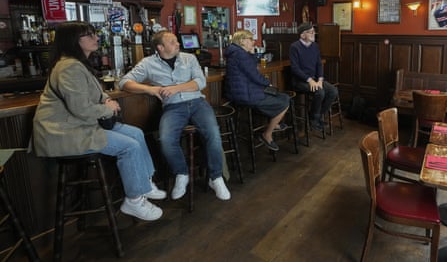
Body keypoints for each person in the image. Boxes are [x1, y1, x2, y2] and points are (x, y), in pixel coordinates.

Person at [32, 21, 165, 221]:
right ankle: (134, 200)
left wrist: (105, 99)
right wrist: (107, 108)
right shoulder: (69, 67)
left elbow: (92, 92)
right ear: (73, 41)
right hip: (64, 133)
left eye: (94, 34)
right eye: (89, 35)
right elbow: (81, 109)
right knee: (129, 146)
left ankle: (144, 183)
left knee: (136, 133)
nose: (96, 38)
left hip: (79, 126)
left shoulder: (77, 64)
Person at [120, 30, 230, 201]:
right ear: (160, 47)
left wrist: (175, 88)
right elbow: (124, 82)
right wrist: (149, 89)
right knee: (166, 140)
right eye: (172, 42)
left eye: (177, 41)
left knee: (213, 134)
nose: (178, 44)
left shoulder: (189, 58)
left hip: (197, 103)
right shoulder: (148, 63)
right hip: (173, 107)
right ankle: (182, 173)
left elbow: (200, 82)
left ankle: (215, 177)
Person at [224, 30, 290, 151]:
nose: (253, 42)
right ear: (242, 41)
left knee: (284, 97)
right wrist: (267, 83)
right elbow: (254, 74)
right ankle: (267, 134)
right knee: (284, 102)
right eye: (250, 39)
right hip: (245, 95)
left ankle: (275, 123)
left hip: (245, 91)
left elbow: (250, 70)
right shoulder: (240, 54)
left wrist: (252, 53)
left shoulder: (236, 52)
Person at [289, 23, 339, 131]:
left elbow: (319, 64)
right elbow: (295, 68)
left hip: (315, 80)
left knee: (333, 91)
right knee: (320, 92)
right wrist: (310, 80)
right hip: (300, 81)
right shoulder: (294, 47)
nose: (314, 34)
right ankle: (313, 120)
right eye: (311, 32)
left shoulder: (315, 46)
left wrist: (320, 79)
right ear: (302, 35)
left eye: (314, 31)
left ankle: (318, 117)